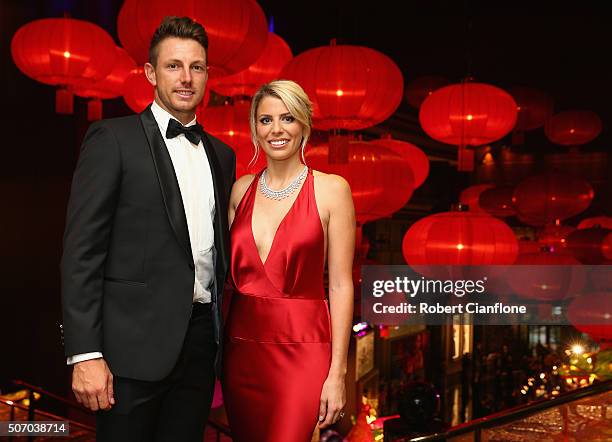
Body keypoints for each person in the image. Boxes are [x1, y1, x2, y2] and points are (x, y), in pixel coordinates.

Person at [60, 16, 235, 442]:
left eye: (196, 67)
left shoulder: (223, 155)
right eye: (173, 66)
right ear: (151, 73)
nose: (186, 78)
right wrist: (85, 354)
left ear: (208, 74)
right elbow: (81, 251)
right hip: (127, 353)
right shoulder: (112, 139)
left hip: (199, 348)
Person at [222, 80, 355, 441]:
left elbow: (341, 284)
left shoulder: (332, 190)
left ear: (304, 126)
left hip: (304, 352)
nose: (276, 129)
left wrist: (337, 373)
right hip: (241, 354)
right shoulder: (240, 190)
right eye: (265, 120)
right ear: (255, 128)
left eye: (287, 118)